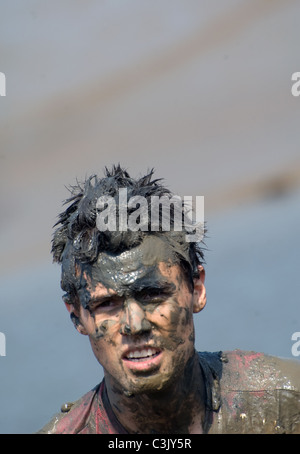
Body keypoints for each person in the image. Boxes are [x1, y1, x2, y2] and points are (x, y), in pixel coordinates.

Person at [38, 165, 300, 434]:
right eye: (107, 304)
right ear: (76, 315)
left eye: (152, 294)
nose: (135, 325)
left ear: (196, 290)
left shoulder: (285, 404)